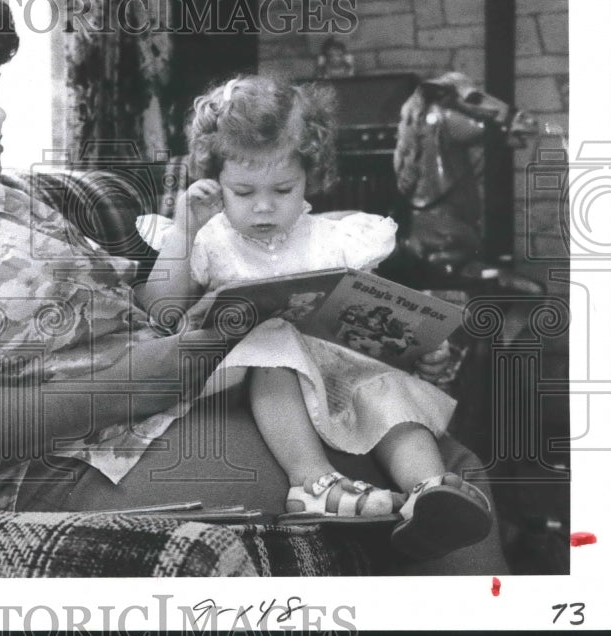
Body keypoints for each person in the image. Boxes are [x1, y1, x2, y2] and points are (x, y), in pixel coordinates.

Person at [0, 0, 506, 574]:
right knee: (384, 473)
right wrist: (147, 378)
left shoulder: (10, 197)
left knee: (447, 465)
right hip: (52, 468)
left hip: (159, 405)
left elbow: (118, 315)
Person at [134, 75, 492, 559]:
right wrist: (184, 227)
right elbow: (160, 307)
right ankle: (310, 482)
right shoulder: (209, 238)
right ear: (214, 181)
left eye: (283, 189)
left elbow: (374, 316)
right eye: (243, 191)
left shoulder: (333, 239)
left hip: (331, 372)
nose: (264, 206)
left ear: (310, 175)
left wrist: (424, 350)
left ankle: (429, 497)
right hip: (251, 374)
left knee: (389, 394)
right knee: (275, 334)